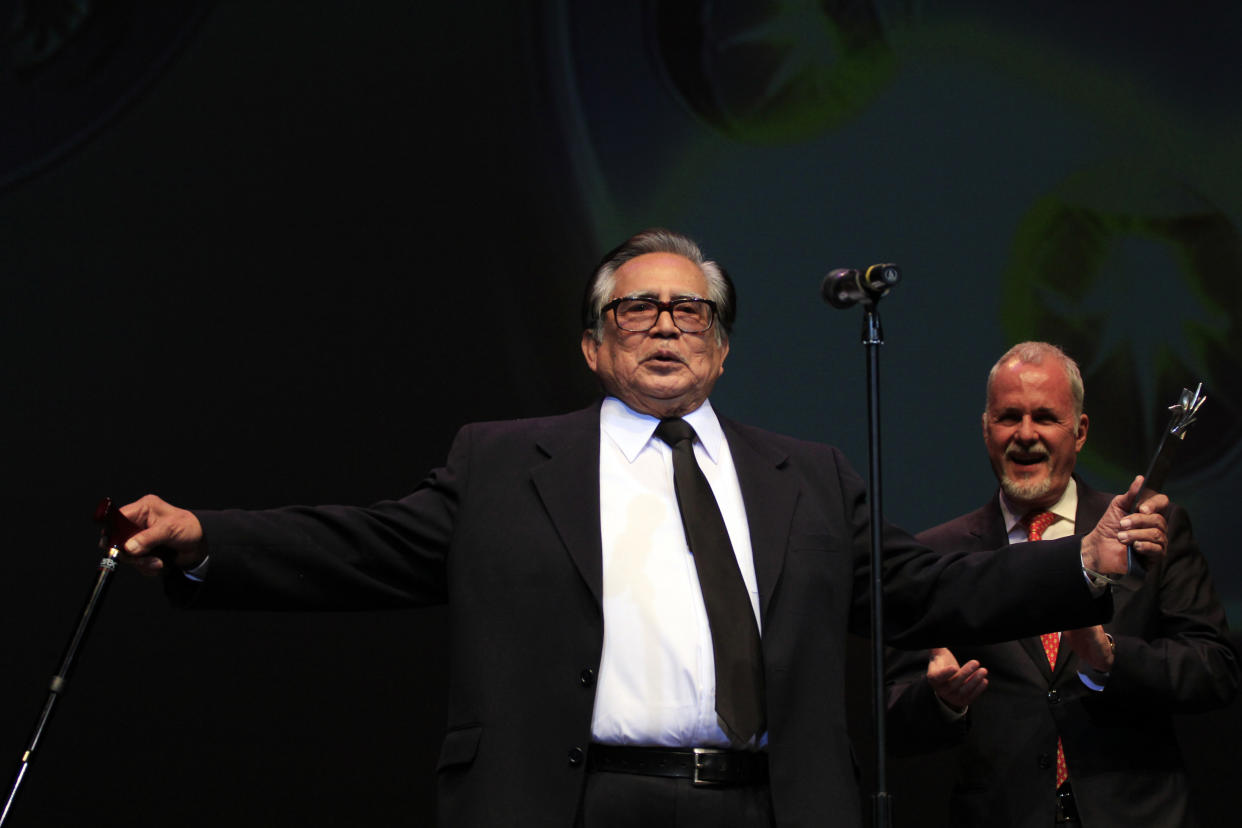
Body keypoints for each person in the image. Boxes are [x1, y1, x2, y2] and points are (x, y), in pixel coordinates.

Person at [119, 232, 1170, 828]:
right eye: (637, 310)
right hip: (576, 805)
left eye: (690, 311)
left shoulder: (804, 476)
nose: (666, 324)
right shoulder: (505, 463)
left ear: (722, 348)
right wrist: (207, 535)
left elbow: (930, 588)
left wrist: (1078, 564)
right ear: (591, 345)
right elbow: (363, 545)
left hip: (761, 809)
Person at [885, 341, 1239, 828]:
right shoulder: (938, 555)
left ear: (1080, 432)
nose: (1025, 435)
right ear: (986, 430)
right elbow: (890, 718)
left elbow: (1214, 671)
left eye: (1045, 417)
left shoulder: (1148, 528)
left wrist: (1110, 659)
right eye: (1009, 416)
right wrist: (941, 702)